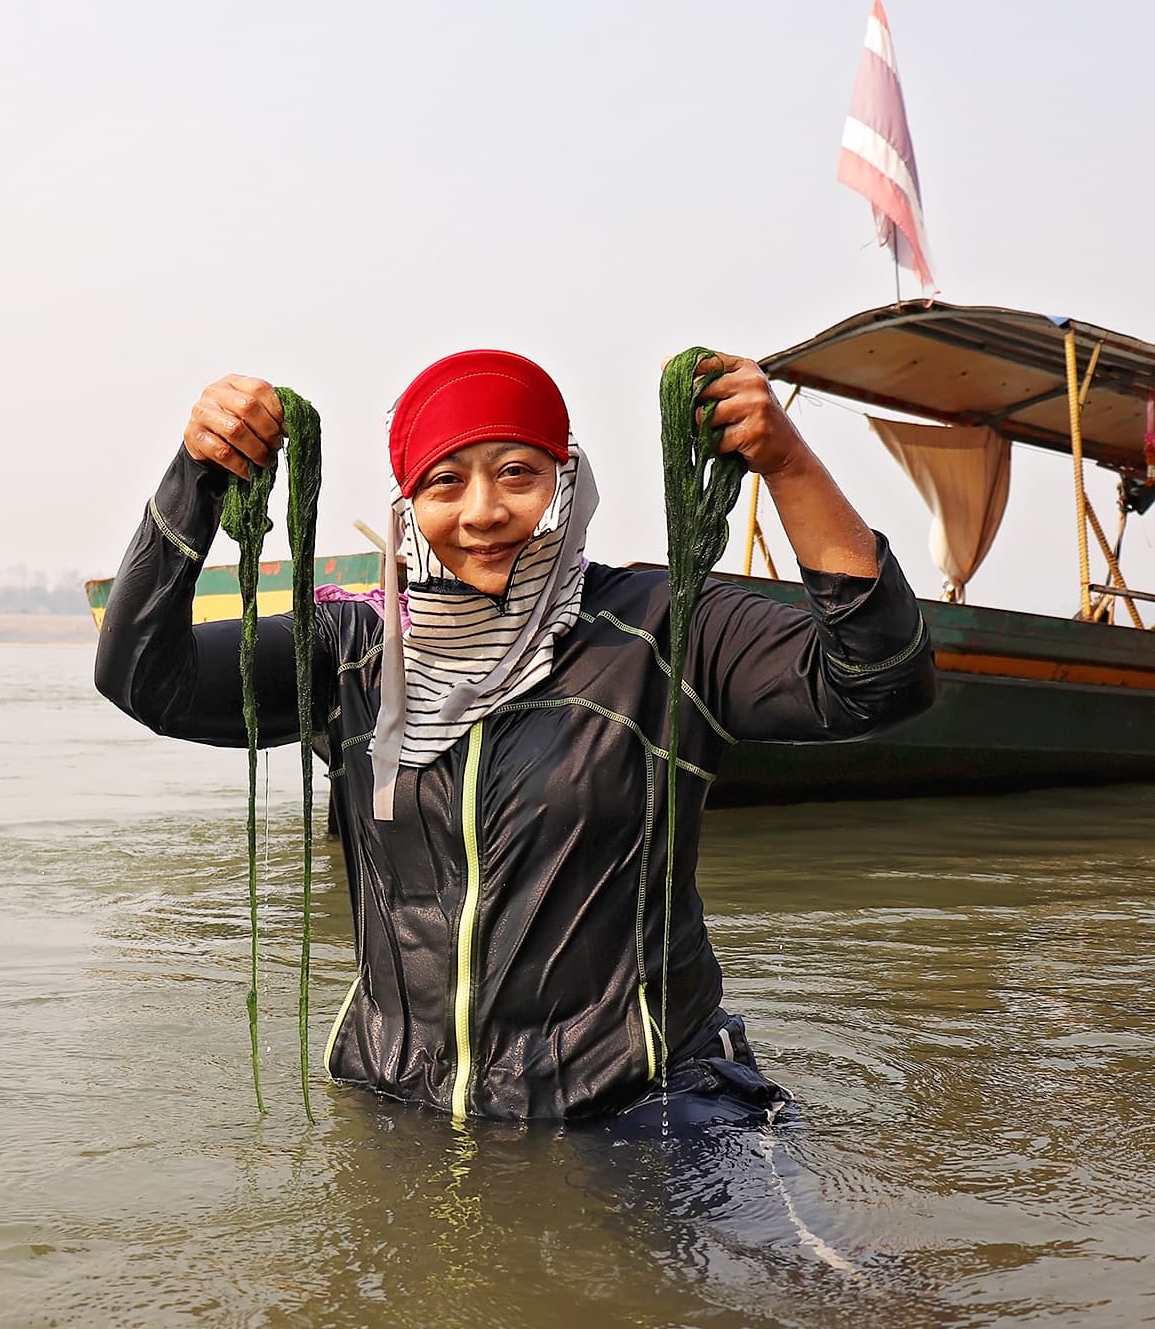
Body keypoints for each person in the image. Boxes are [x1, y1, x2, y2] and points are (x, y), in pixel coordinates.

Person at [94, 350, 935, 1124]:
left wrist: (787, 464)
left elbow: (879, 678)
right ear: (409, 506)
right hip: (402, 1101)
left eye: (517, 474)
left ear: (565, 481)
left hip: (635, 1109)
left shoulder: (666, 627)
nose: (484, 512)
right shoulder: (349, 653)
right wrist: (198, 475)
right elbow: (142, 675)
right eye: (445, 482)